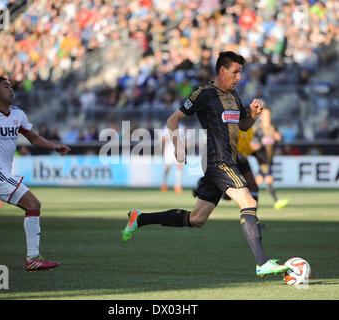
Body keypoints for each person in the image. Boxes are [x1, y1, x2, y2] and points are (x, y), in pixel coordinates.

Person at [121, 51, 289, 278]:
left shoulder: (233, 96)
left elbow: (244, 126)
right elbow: (173, 119)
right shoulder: (204, 94)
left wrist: (254, 115)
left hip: (226, 161)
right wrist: (177, 144)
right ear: (222, 70)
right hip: (217, 161)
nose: (239, 77)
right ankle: (262, 262)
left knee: (196, 219)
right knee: (248, 201)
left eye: (240, 72)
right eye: (235, 72)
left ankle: (139, 219)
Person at [0, 77, 71, 271]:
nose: (11, 89)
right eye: (5, 86)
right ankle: (33, 258)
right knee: (33, 204)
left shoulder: (18, 114)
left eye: (11, 86)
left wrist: (54, 146)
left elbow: (33, 137)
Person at [251, 107, 289, 210]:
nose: (268, 117)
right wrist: (256, 146)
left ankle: (251, 203)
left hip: (269, 159)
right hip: (262, 159)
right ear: (261, 117)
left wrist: (278, 138)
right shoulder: (258, 130)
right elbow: (252, 144)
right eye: (266, 115)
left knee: (258, 181)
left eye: (269, 115)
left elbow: (278, 139)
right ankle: (276, 202)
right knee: (268, 179)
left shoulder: (273, 128)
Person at [160, 124, 184, 194]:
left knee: (179, 167)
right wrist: (169, 137)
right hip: (169, 151)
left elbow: (184, 138)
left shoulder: (182, 127)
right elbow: (162, 139)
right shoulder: (166, 128)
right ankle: (164, 183)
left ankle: (178, 185)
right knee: (167, 168)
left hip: (179, 149)